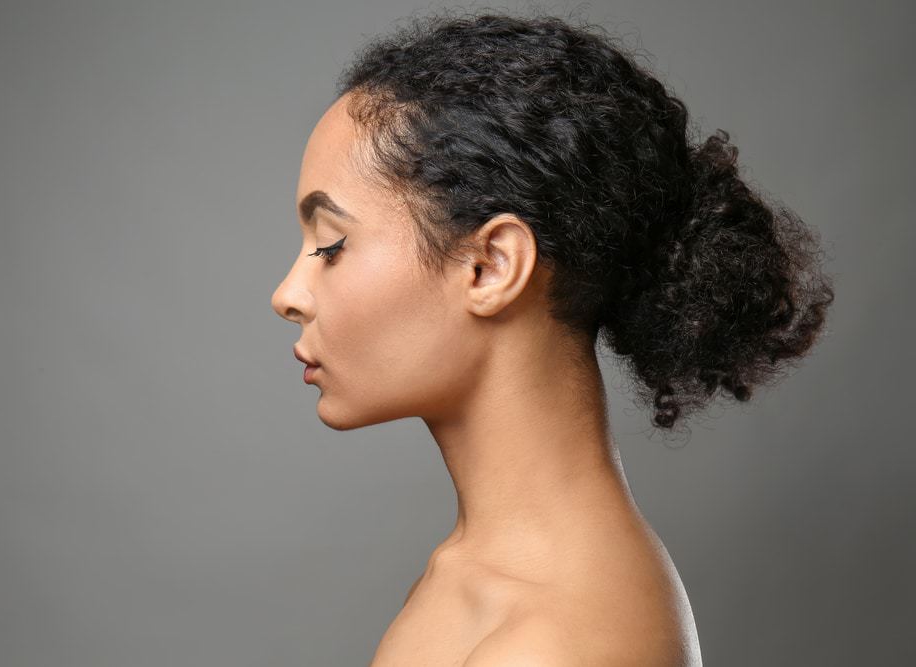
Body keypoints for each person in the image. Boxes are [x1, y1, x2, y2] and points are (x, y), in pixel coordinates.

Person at [271, 9, 834, 666]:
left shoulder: (562, 640)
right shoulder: (474, 572)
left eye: (332, 245)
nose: (288, 294)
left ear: (491, 266)